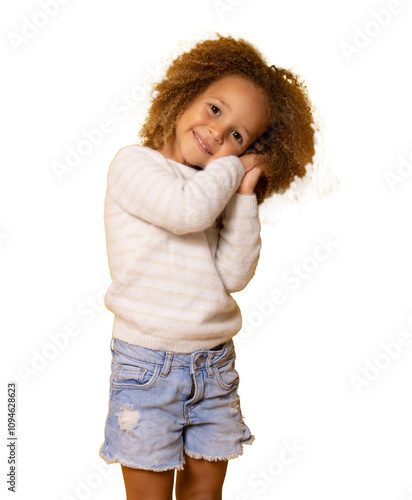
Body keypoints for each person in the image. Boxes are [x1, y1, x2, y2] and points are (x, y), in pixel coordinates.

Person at [99, 34, 315, 500]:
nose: (219, 133)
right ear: (184, 95)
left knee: (204, 496)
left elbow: (233, 275)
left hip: (213, 364)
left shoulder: (215, 186)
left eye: (238, 136)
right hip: (147, 367)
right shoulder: (133, 165)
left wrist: (243, 194)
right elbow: (186, 212)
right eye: (215, 109)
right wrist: (234, 166)